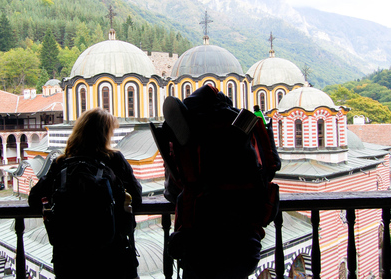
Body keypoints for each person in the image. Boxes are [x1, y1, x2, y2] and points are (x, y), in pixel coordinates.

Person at [153, 85, 280, 279]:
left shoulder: (188, 131)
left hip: (199, 241)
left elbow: (173, 190)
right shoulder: (246, 122)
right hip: (244, 241)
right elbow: (271, 166)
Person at [29, 108, 142, 279]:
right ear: (105, 134)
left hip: (69, 257)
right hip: (110, 254)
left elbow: (34, 199)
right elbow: (137, 197)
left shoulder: (61, 163)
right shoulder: (114, 160)